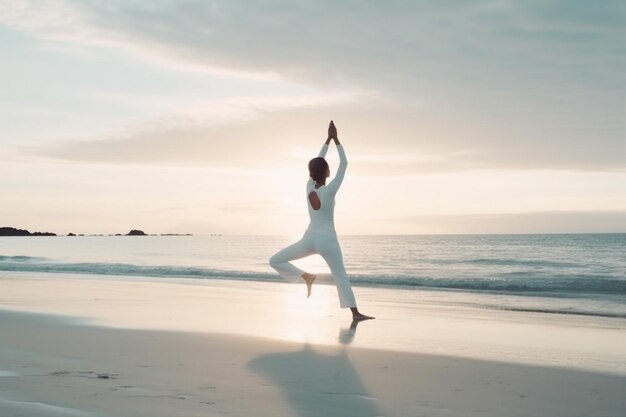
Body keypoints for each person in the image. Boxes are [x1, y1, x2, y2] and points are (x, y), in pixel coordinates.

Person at [269, 121, 374, 321]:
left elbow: (319, 160)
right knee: (340, 275)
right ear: (326, 172)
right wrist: (335, 140)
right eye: (327, 169)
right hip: (328, 241)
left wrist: (327, 141)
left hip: (309, 238)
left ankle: (306, 276)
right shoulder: (330, 190)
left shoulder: (309, 186)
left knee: (275, 260)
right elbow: (344, 164)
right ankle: (355, 313)